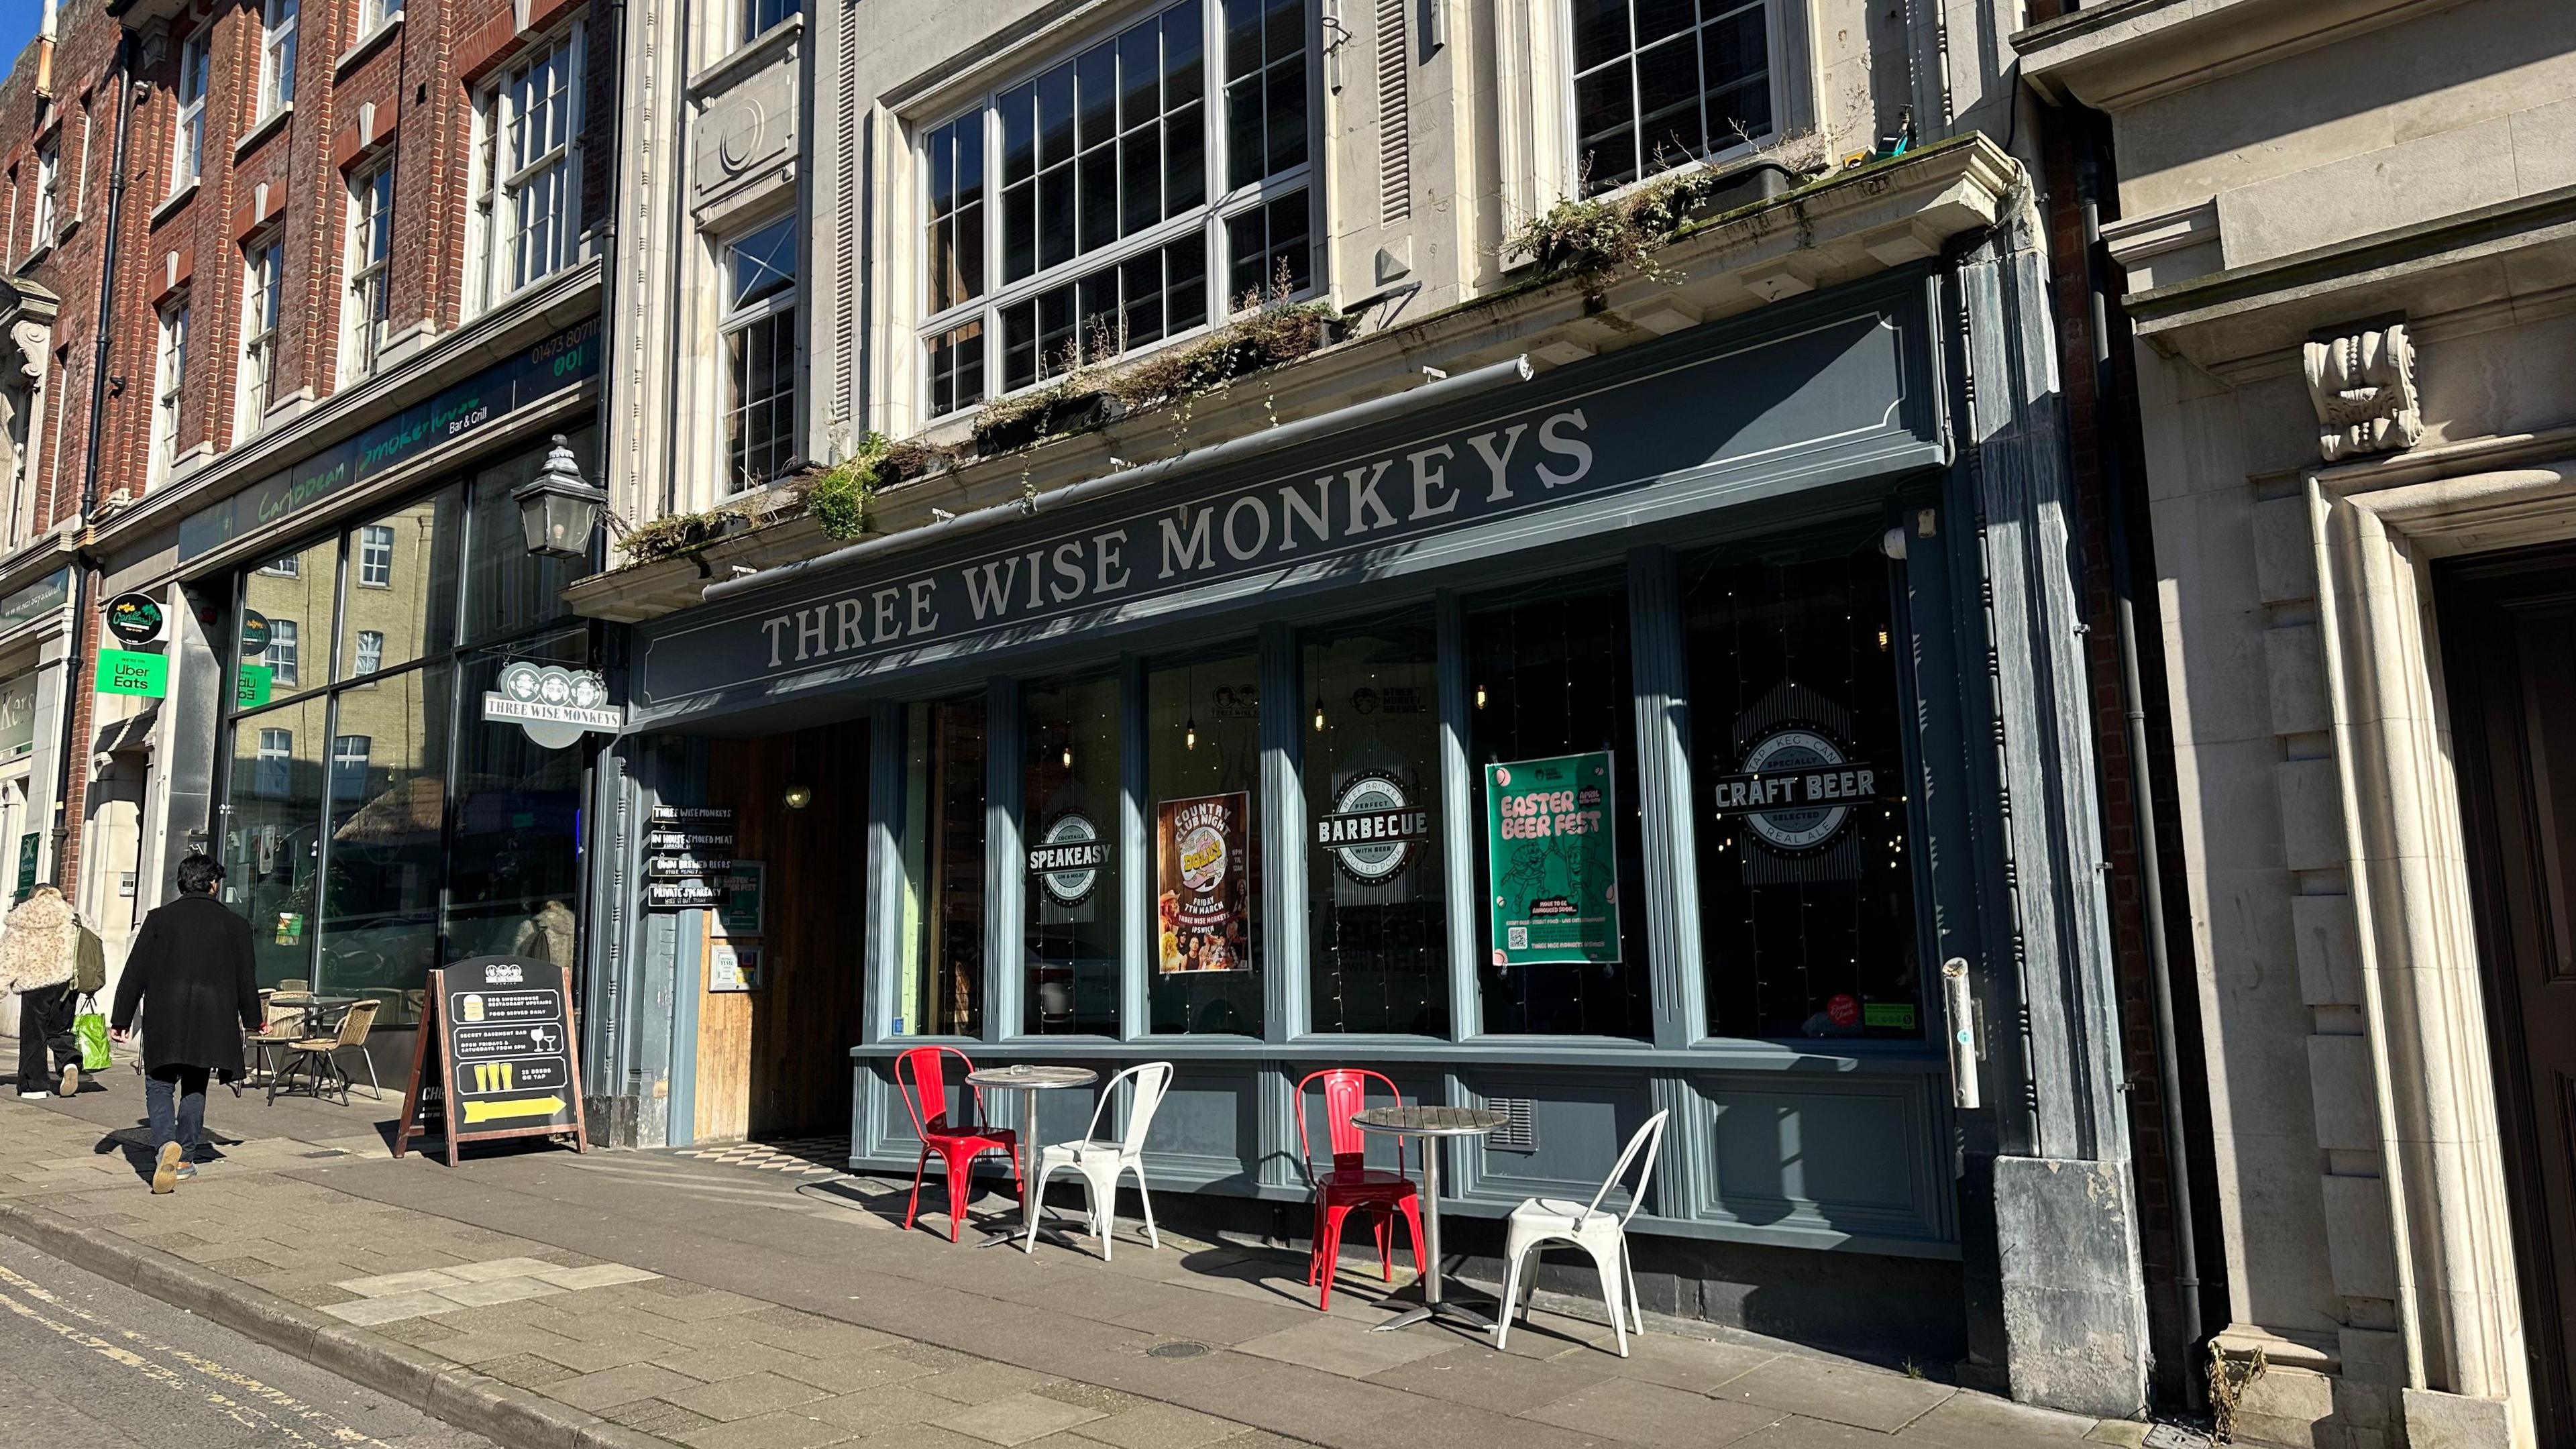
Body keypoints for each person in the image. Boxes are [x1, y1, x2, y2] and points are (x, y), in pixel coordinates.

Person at [111, 854, 258, 1193]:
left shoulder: (159, 919)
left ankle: (165, 1144)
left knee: (159, 1084)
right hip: (213, 1016)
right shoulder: (235, 924)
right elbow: (245, 980)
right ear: (213, 884)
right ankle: (186, 1158)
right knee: (195, 1085)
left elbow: (135, 972)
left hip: (165, 1013)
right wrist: (254, 1019)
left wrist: (121, 1018)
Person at [4, 883, 105, 1099]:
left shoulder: (24, 917)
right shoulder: (74, 917)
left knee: (34, 1035)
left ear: (32, 897)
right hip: (67, 984)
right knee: (60, 1030)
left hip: (35, 984)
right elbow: (91, 945)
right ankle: (69, 1063)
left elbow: (9, 957)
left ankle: (35, 1086)